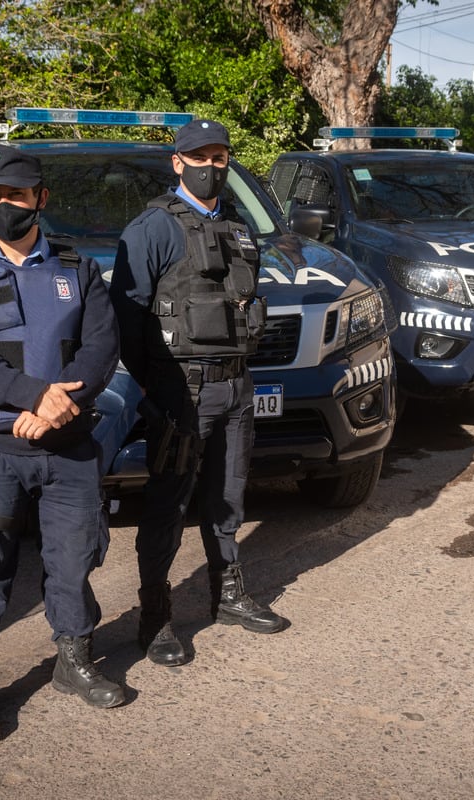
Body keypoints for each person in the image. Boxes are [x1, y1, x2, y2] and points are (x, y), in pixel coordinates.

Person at [0, 144, 123, 743]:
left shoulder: (77, 268)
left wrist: (59, 405)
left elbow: (101, 347)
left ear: (41, 197)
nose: (4, 205)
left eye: (17, 194)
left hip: (67, 440)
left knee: (74, 560)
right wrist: (33, 396)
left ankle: (73, 659)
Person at [110, 118, 288, 668]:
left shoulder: (236, 226)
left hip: (237, 385)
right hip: (182, 390)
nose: (214, 166)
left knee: (229, 496)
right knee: (167, 504)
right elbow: (127, 315)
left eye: (221, 157)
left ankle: (229, 594)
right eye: (202, 157)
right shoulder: (153, 228)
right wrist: (154, 384)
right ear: (177, 162)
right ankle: (155, 616)